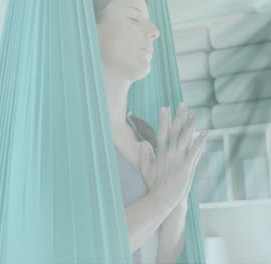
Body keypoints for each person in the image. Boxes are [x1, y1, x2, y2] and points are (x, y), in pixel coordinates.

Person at [93, 0, 209, 263]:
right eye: (134, 19)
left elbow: (163, 259)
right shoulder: (74, 141)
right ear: (88, 31)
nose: (154, 31)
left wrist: (178, 199)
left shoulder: (143, 133)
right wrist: (162, 200)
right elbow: (86, 250)